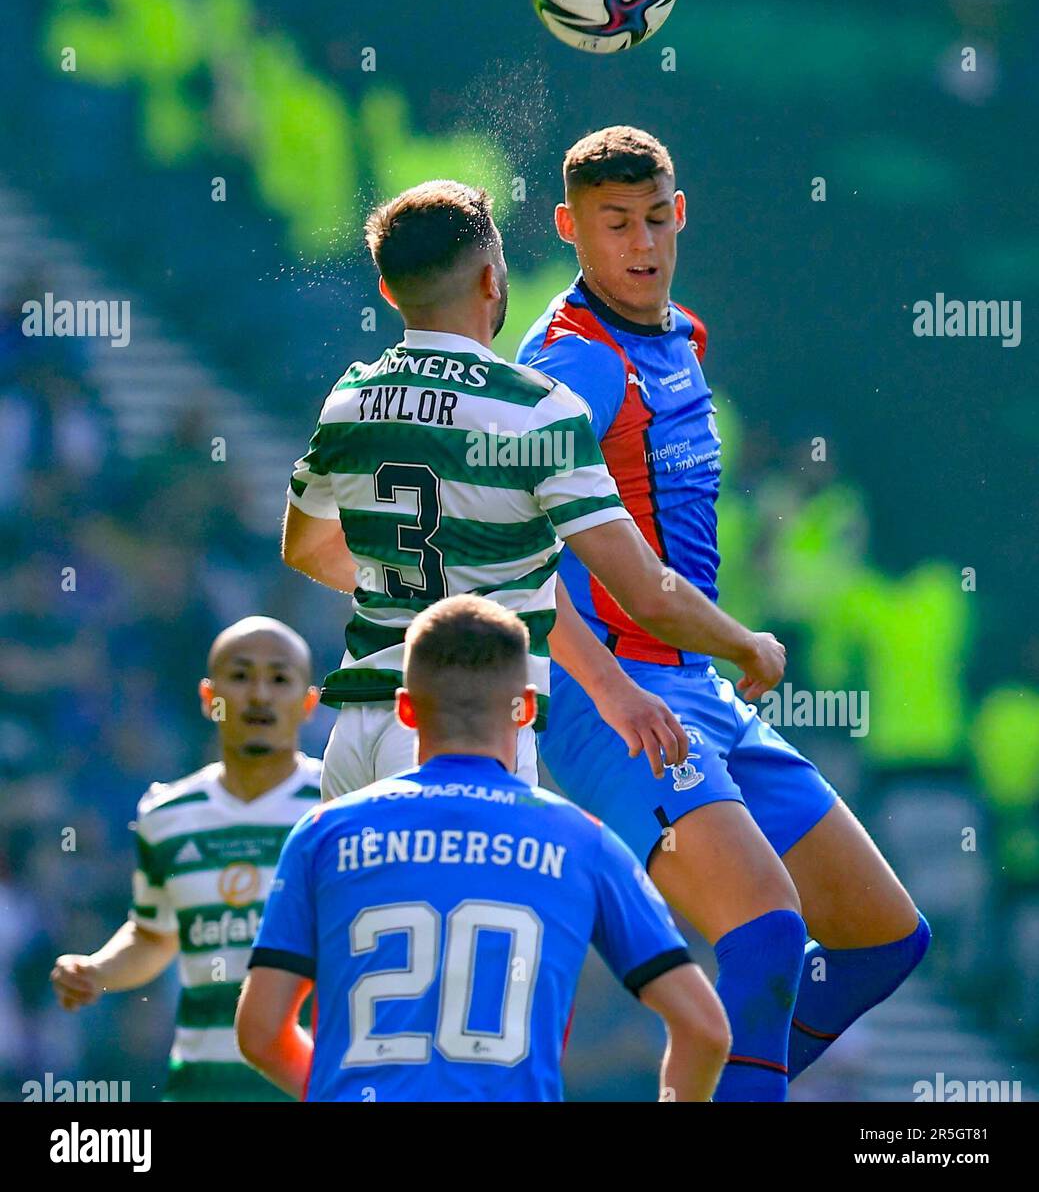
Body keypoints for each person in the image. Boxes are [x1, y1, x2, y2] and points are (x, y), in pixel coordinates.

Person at [516, 125, 931, 1101]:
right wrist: (679, 659)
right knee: (765, 930)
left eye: (656, 217)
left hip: (700, 687)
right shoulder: (571, 363)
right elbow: (508, 541)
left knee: (881, 940)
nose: (641, 242)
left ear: (681, 213)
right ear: (570, 229)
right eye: (613, 224)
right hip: (612, 697)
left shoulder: (680, 337)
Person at [282, 179, 786, 803]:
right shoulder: (533, 409)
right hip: (461, 727)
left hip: (353, 733)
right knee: (475, 904)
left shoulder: (350, 397)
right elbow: (642, 592)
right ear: (493, 281)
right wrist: (748, 645)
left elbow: (304, 548)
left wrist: (419, 588)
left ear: (388, 291)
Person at [236, 594, 730, 1101]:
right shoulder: (584, 842)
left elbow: (260, 1032)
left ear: (405, 709)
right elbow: (704, 1028)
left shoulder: (323, 834)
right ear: (528, 709)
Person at [50, 616, 323, 1101]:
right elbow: (153, 934)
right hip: (200, 1087)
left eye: (279, 679)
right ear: (208, 698)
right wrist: (96, 971)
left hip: (307, 1085)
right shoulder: (167, 815)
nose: (259, 694)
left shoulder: (337, 808)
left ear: (307, 703)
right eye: (240, 676)